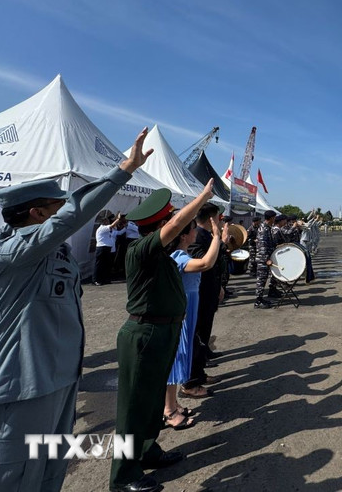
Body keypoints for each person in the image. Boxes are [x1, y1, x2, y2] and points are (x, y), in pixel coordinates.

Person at [0, 127, 152, 492]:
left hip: (61, 384)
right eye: (57, 206)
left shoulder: (58, 253)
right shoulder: (6, 255)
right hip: (19, 390)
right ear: (38, 213)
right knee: (8, 481)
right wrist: (123, 171)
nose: (67, 212)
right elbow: (69, 218)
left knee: (49, 476)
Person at [109, 179, 215, 492]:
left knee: (153, 401)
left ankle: (148, 450)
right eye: (168, 222)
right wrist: (202, 198)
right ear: (159, 227)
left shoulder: (164, 256)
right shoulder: (140, 250)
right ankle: (123, 475)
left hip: (164, 331)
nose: (175, 226)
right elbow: (177, 225)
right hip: (145, 334)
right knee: (133, 408)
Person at [164, 215, 221, 430]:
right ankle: (168, 410)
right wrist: (217, 238)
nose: (196, 232)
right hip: (183, 310)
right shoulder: (178, 257)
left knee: (181, 355)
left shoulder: (183, 254)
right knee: (176, 358)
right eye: (193, 229)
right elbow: (206, 263)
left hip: (189, 307)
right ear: (184, 236)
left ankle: (173, 404)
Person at [180, 203, 225, 398]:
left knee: (203, 337)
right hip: (199, 295)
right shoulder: (198, 235)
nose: (220, 221)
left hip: (208, 292)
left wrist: (219, 286)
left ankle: (199, 374)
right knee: (196, 339)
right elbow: (203, 263)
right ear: (211, 219)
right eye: (218, 217)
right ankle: (191, 382)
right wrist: (219, 239)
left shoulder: (203, 234)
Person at [94, 212, 126, 285]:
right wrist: (118, 219)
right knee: (99, 264)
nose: (108, 222)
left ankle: (105, 279)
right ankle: (96, 279)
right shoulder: (102, 228)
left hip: (107, 248)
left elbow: (116, 231)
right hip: (101, 248)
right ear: (104, 222)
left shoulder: (107, 230)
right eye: (107, 221)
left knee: (107, 264)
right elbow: (112, 226)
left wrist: (123, 225)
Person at [253, 210, 277, 309]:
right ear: (271, 218)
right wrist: (266, 259)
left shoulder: (267, 227)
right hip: (263, 259)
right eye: (274, 217)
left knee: (263, 280)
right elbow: (262, 245)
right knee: (261, 280)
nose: (275, 219)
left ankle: (260, 298)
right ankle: (258, 301)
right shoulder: (263, 229)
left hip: (265, 258)